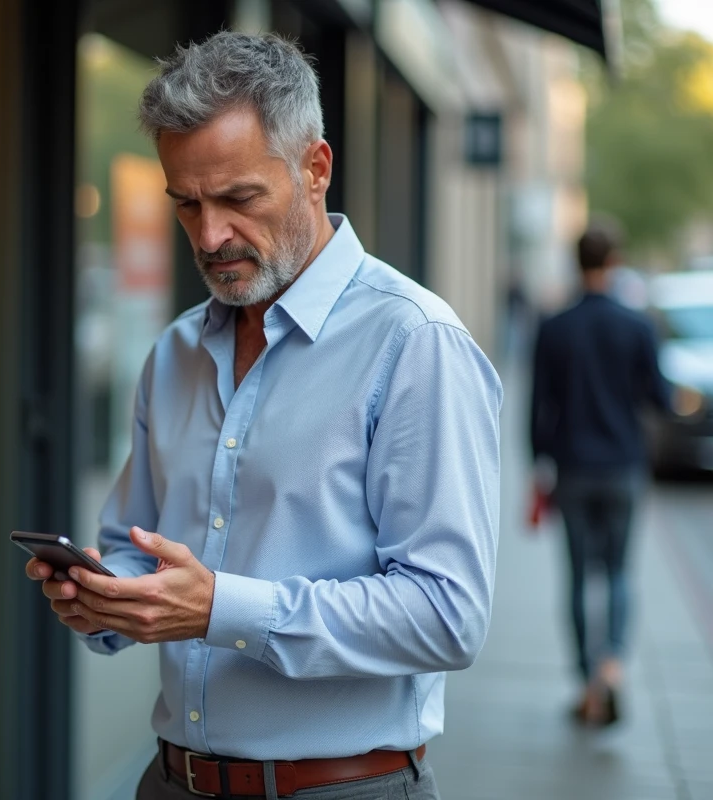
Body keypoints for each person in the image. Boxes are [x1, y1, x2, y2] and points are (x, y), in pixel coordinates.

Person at [26, 33, 502, 800]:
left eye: (239, 199)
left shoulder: (415, 342)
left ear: (315, 169)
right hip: (169, 781)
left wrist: (221, 608)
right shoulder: (176, 350)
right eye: (186, 203)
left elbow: (447, 615)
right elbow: (133, 544)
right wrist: (107, 596)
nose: (209, 236)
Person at [530, 223, 697, 726]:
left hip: (573, 468)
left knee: (580, 576)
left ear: (577, 262)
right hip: (624, 465)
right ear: (616, 260)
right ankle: (614, 665)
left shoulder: (555, 326)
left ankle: (587, 682)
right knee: (620, 572)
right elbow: (660, 398)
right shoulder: (637, 325)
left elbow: (540, 407)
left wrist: (538, 469)